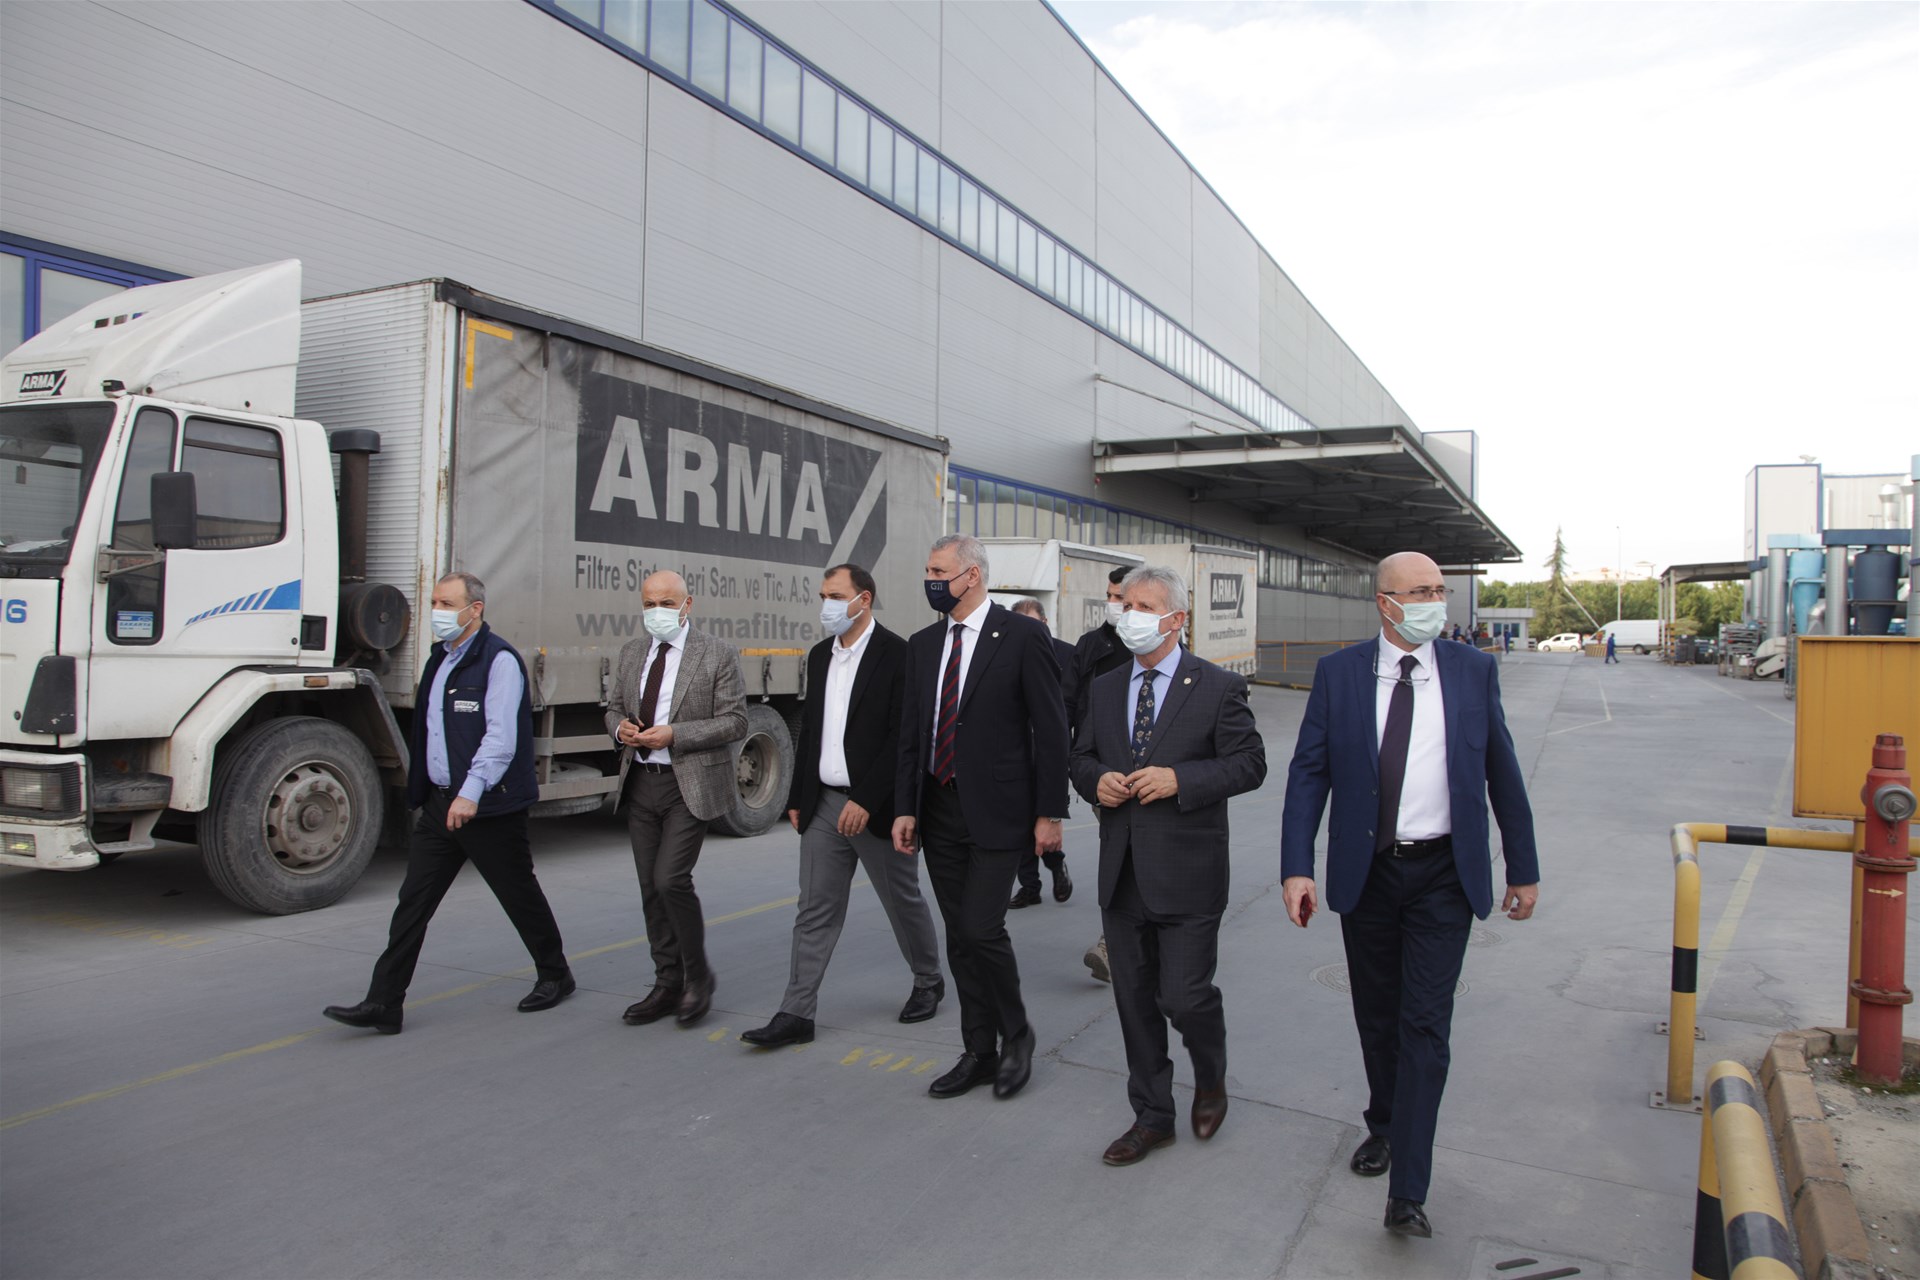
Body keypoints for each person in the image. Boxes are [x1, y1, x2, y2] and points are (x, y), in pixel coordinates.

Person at [1279, 551, 1541, 1240]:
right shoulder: (1339, 674)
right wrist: (1296, 866)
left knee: (1425, 1024)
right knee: (1377, 1015)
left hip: (1444, 876)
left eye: (1438, 590)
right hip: (1368, 872)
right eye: (1420, 592)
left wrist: (1522, 867)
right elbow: (1309, 773)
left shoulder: (1472, 670)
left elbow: (1503, 771)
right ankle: (1386, 1124)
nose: (1434, 602)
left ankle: (1408, 1191)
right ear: (1385, 602)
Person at [1070, 566, 1266, 1166]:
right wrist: (1096, 781)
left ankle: (1210, 1075)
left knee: (1184, 997)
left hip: (1189, 873)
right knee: (1133, 1003)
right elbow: (1080, 756)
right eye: (1124, 604)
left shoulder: (1217, 687)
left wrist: (1181, 779)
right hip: (1122, 872)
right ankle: (1152, 1116)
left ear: (1176, 619)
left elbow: (1249, 763)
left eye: (1144, 606)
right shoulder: (1105, 687)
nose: (1128, 614)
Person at [325, 572, 572, 1034]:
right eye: (434, 602)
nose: (436, 611)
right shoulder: (439, 658)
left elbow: (500, 739)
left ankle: (556, 974)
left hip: (489, 806)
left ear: (474, 609)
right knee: (413, 903)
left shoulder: (499, 661)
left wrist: (470, 793)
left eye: (446, 603)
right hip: (442, 806)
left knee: (518, 894)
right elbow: (431, 732)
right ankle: (384, 1003)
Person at [893, 535, 1068, 1100]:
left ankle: (1017, 1036)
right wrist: (904, 807)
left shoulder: (1022, 636)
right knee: (960, 938)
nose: (930, 581)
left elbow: (1051, 729)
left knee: (981, 928)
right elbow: (912, 734)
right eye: (927, 570)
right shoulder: (924, 645)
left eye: (937, 571)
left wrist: (1050, 813)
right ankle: (979, 1051)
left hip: (1000, 811)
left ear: (971, 575)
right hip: (938, 807)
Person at [741, 564, 945, 1049]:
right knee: (814, 909)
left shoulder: (898, 655)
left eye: (835, 596)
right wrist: (796, 796)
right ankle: (796, 1012)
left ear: (864, 599)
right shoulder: (820, 655)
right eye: (823, 596)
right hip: (824, 804)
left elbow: (903, 738)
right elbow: (811, 731)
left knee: (901, 900)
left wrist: (867, 800)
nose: (826, 605)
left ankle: (928, 979)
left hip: (877, 808)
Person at [606, 570, 748, 1028]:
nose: (657, 612)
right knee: (650, 888)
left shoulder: (717, 653)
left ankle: (698, 978)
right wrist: (620, 729)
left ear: (688, 605)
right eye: (649, 604)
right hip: (640, 781)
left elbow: (735, 721)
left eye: (666, 603)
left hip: (688, 784)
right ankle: (667, 983)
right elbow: (613, 707)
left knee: (670, 880)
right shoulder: (632, 652)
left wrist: (675, 735)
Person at [1070, 566, 1136, 983]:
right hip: (1105, 778)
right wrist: (1078, 768)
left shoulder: (1159, 647)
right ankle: (1115, 942)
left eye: (1121, 598)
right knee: (1119, 854)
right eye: (1110, 597)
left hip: (1151, 775)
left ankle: (1119, 942)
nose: (1113, 605)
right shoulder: (1091, 646)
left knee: (1135, 856)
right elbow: (1067, 706)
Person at [1009, 597, 1076, 909]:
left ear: (1045, 624)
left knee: (1045, 813)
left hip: (1050, 751)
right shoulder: (1006, 653)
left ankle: (1056, 864)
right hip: (1017, 751)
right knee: (1020, 821)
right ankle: (1029, 886)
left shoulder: (1066, 655)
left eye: (1033, 625)